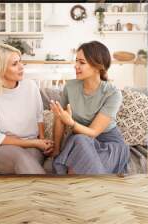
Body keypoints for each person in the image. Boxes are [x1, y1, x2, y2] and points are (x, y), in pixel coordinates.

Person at [48, 41, 130, 175]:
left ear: (97, 66)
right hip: (79, 140)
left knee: (80, 154)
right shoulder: (70, 87)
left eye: (81, 62)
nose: (76, 66)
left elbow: (93, 132)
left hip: (109, 143)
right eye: (76, 61)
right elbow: (59, 119)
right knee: (80, 140)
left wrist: (71, 123)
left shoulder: (113, 93)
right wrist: (56, 150)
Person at [0, 43, 53, 174]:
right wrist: (34, 143)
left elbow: (39, 116)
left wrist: (42, 141)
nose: (21, 67)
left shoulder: (31, 86)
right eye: (14, 64)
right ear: (0, 69)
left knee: (28, 161)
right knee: (22, 159)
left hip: (30, 144)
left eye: (20, 61)